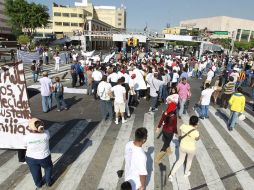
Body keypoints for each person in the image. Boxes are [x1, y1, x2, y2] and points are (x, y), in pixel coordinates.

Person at [168, 116, 200, 181]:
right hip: (191, 149)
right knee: (189, 160)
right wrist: (195, 128)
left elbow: (180, 132)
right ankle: (186, 173)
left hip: (182, 146)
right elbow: (197, 139)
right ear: (196, 123)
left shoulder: (183, 126)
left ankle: (171, 175)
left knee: (180, 160)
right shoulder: (196, 132)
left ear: (189, 121)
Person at [25, 118, 53, 188]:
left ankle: (38, 184)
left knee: (35, 172)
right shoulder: (46, 133)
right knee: (48, 168)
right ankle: (48, 182)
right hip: (45, 157)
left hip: (31, 158)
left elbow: (24, 145)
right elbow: (43, 131)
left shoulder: (27, 137)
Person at [155, 94, 178, 164]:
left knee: (166, 141)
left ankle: (169, 151)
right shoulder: (174, 117)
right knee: (165, 145)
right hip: (170, 132)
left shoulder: (165, 113)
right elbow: (174, 126)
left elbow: (161, 120)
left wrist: (158, 128)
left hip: (164, 130)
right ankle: (158, 158)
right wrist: (176, 132)